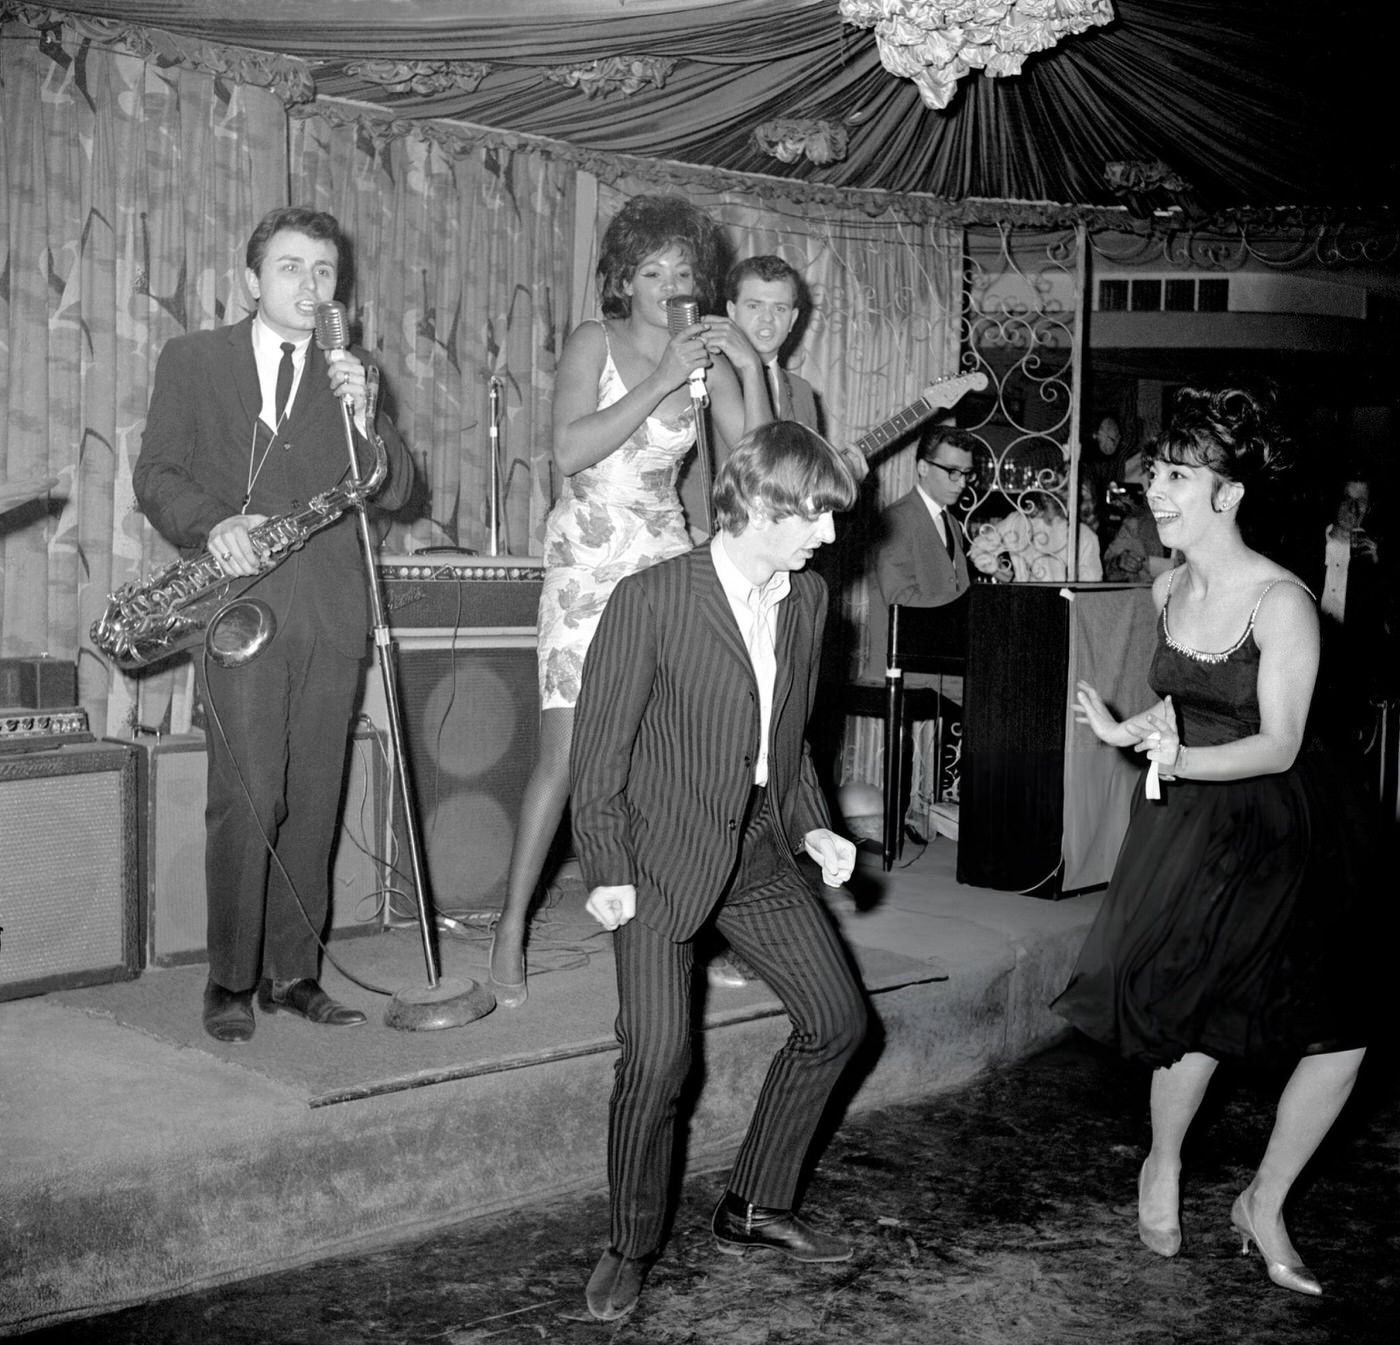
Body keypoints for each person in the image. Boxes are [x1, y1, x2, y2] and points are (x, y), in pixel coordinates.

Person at [1052, 383, 1371, 1296]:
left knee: (1340, 1030)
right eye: (1157, 470)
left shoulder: (1282, 602)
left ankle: (1264, 1202)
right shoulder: (1163, 585)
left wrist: (1177, 757)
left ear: (1228, 494)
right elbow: (1182, 703)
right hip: (1192, 821)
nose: (1157, 489)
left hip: (1287, 824)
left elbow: (1274, 739)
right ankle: (1164, 1162)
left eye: (1179, 475)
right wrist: (1134, 731)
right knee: (1188, 1013)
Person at [571, 419, 868, 1321]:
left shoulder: (809, 600)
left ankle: (753, 1204)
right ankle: (629, 1242)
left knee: (838, 1020)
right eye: (817, 515)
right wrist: (607, 864)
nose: (827, 536)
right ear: (764, 503)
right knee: (658, 1061)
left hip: (762, 851)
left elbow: (791, 740)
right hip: (660, 862)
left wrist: (817, 827)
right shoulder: (653, 598)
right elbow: (597, 756)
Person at [133, 206, 414, 1043]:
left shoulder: (352, 371)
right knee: (246, 796)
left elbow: (394, 490)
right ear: (253, 280)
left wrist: (366, 418)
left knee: (315, 794)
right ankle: (231, 975)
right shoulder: (194, 360)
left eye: (324, 271)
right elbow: (156, 473)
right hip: (239, 613)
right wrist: (211, 521)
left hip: (331, 612)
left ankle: (295, 974)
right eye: (291, 268)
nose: (309, 285)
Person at [488, 194, 770, 1008]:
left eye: (683, 270)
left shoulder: (709, 361)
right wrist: (659, 377)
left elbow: (752, 469)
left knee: (679, 758)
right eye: (652, 271)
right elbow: (572, 449)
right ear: (622, 279)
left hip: (665, 555)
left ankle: (674, 926)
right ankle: (510, 930)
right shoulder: (594, 340)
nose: (670, 284)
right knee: (568, 758)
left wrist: (744, 367)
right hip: (586, 555)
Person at [968, 488, 1103, 583]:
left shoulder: (1019, 521)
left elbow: (979, 549)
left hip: (1025, 605)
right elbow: (1089, 591)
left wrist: (1005, 575)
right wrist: (1005, 575)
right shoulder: (1084, 534)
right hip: (1063, 612)